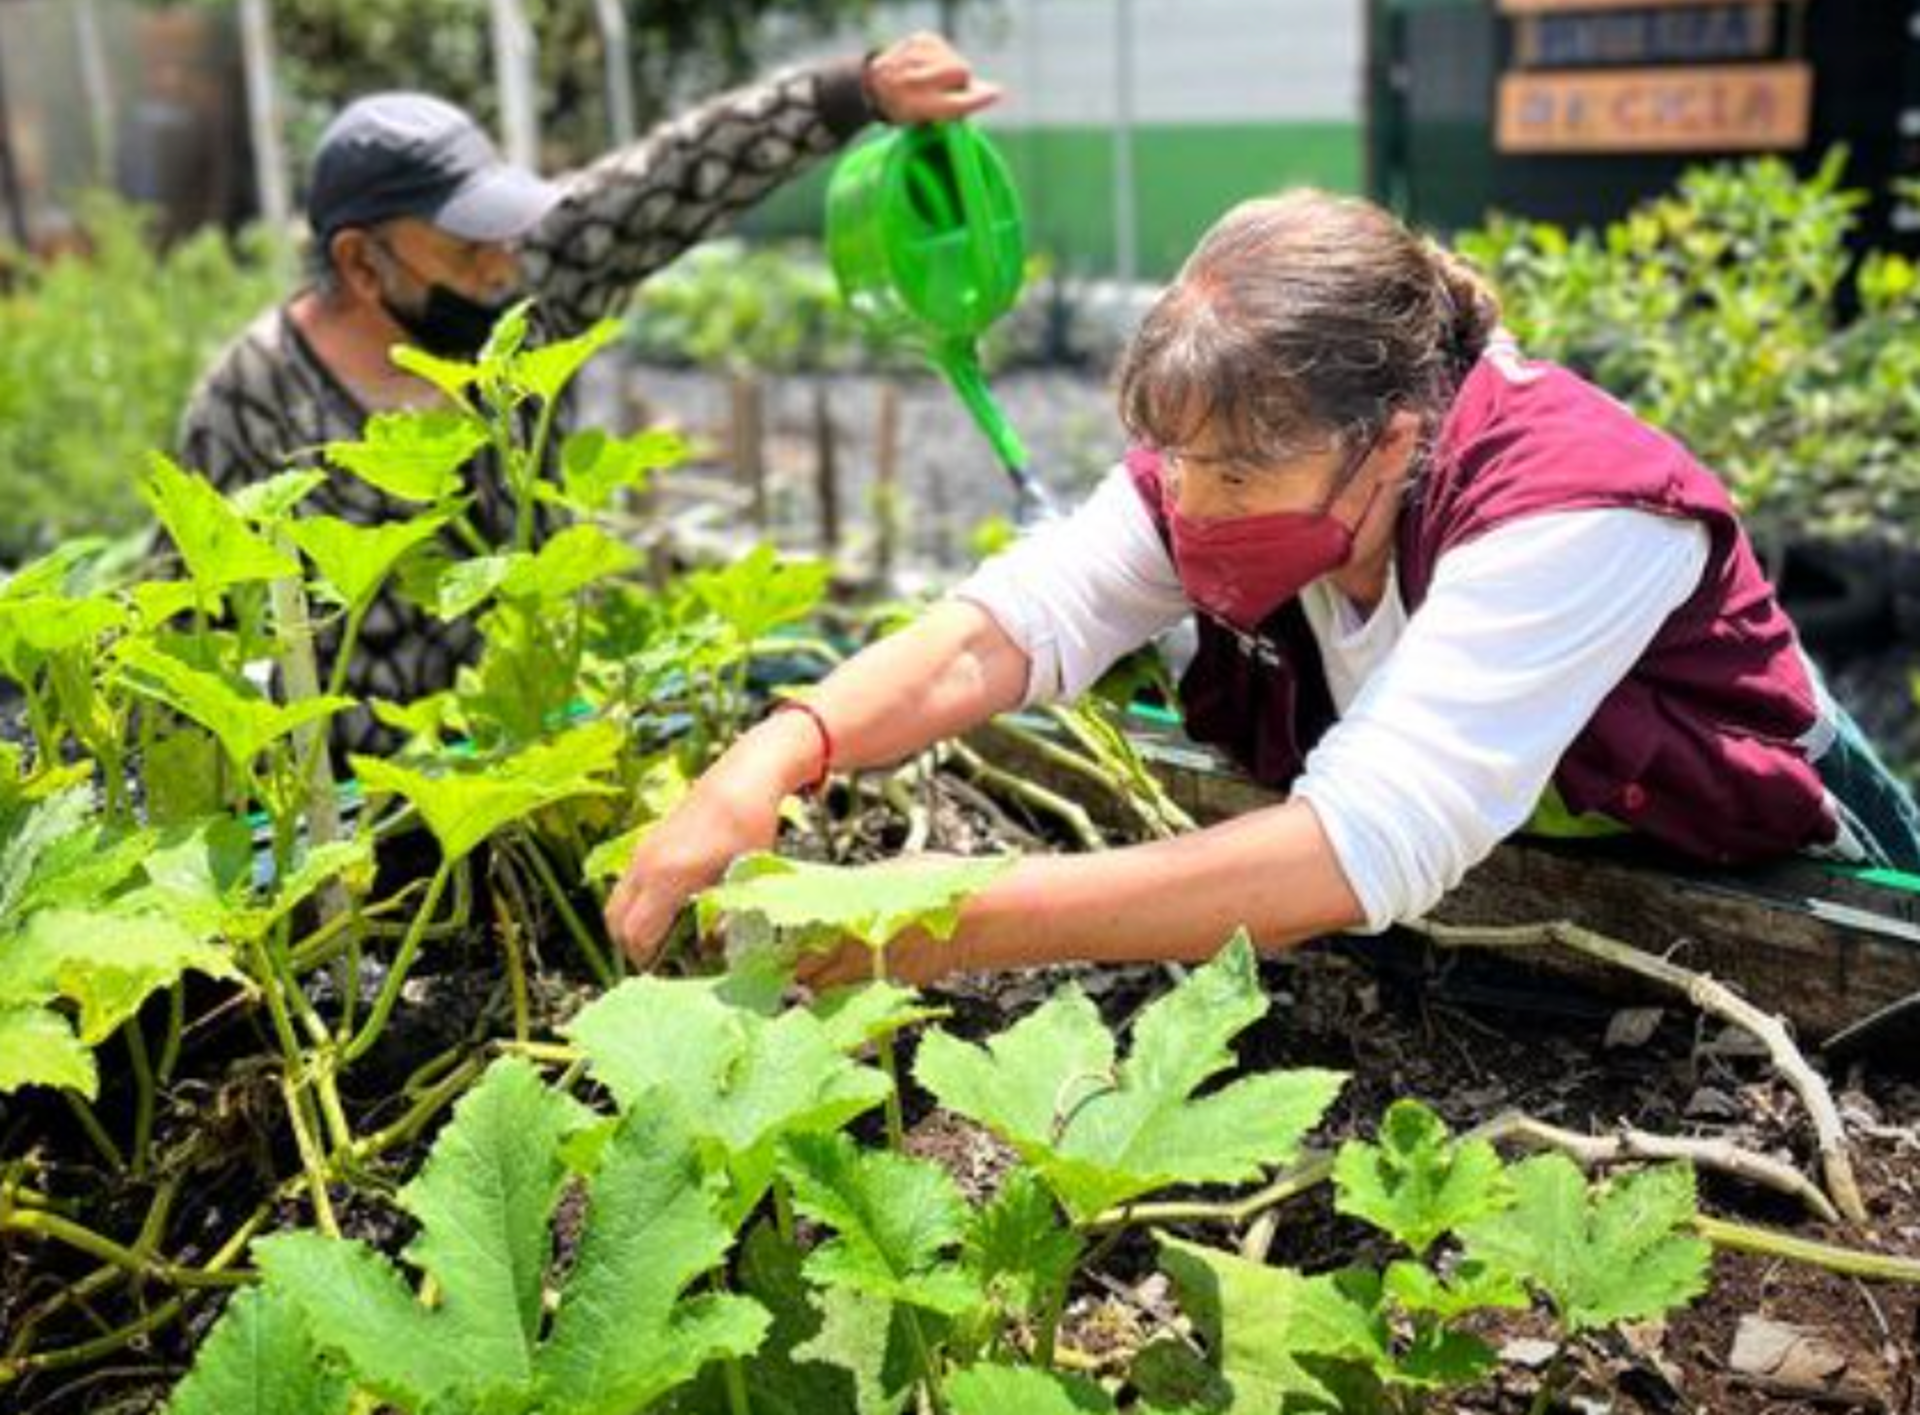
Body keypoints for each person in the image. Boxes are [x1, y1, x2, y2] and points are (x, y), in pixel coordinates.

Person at [605, 187, 1920, 980]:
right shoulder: (1238, 459)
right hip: (1526, 888)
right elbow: (1010, 629)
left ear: (1395, 437)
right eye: (1172, 460)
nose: (1188, 502)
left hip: (1748, 873)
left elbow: (1360, 846)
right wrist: (778, 751)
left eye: (1233, 474)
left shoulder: (1570, 510)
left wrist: (924, 919)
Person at [174, 34, 996, 745]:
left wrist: (854, 93)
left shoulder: (535, 283)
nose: (500, 266)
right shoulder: (251, 401)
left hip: (556, 741)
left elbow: (672, 179)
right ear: (360, 262)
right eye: (465, 250)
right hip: (370, 825)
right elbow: (187, 625)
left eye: (501, 233)